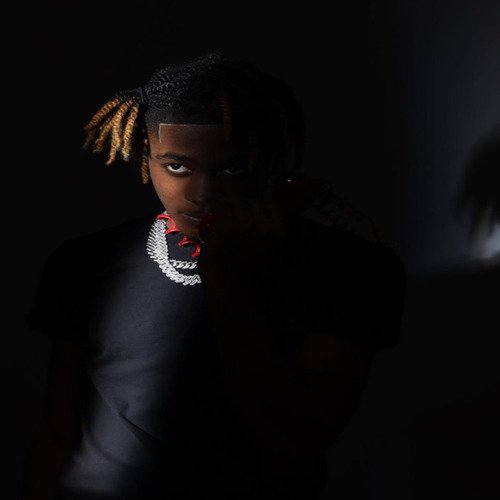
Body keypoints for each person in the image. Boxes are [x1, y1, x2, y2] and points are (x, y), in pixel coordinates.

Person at [22, 52, 406, 500]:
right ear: (146, 154)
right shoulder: (86, 261)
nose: (203, 193)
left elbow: (291, 450)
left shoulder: (351, 270)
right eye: (177, 166)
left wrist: (230, 285)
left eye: (233, 168)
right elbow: (57, 435)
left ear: (275, 156)